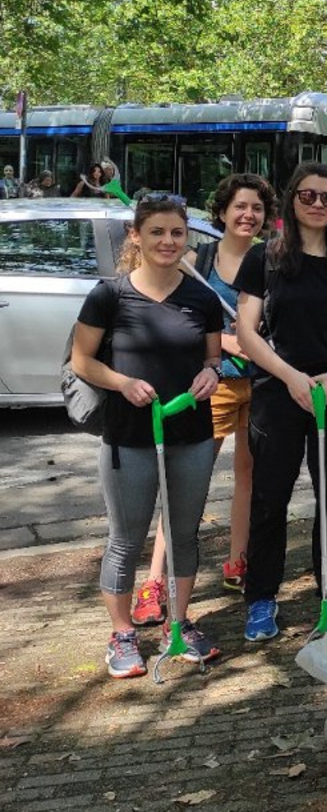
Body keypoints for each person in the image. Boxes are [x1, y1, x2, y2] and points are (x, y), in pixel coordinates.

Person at [70, 193, 224, 678]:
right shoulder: (109, 295)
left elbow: (213, 358)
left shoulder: (201, 298)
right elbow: (82, 360)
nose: (168, 241)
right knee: (126, 538)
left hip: (191, 433)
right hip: (128, 437)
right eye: (156, 232)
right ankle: (122, 634)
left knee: (183, 534)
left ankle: (179, 623)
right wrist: (122, 383)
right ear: (136, 236)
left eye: (177, 232)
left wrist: (212, 374)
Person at [235, 164, 327, 641]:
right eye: (308, 196)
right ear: (292, 199)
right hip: (279, 392)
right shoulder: (265, 258)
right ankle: (261, 597)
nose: (318, 205)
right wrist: (290, 377)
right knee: (269, 499)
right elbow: (246, 331)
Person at [131, 173, 276, 628]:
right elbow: (177, 322)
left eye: (256, 208)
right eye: (240, 207)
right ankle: (154, 581)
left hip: (261, 384)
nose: (248, 215)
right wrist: (229, 343)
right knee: (185, 484)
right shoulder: (199, 260)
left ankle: (238, 561)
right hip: (211, 386)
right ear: (223, 212)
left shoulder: (271, 260)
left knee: (249, 477)